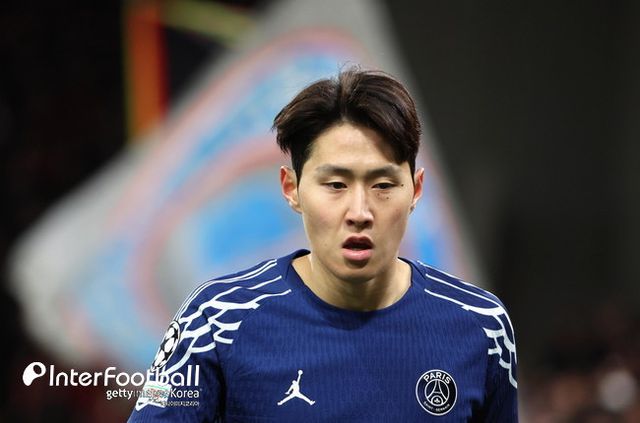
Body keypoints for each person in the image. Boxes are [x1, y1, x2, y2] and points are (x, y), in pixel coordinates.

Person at [128, 67, 518, 422]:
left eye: (383, 185)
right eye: (335, 185)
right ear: (291, 188)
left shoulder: (481, 327)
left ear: (415, 190)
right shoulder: (215, 320)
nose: (360, 212)